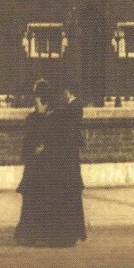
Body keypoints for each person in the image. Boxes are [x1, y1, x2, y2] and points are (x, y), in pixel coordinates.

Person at [14, 78, 86, 247]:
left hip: (51, 171)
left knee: (47, 204)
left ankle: (50, 235)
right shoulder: (44, 118)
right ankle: (38, 234)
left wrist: (44, 149)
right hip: (47, 171)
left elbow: (56, 144)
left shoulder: (54, 119)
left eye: (39, 99)